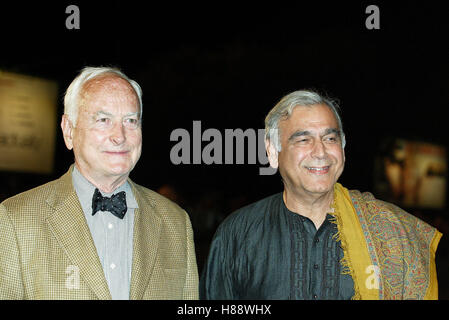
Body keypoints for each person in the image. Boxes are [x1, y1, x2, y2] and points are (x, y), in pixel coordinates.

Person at [200, 90, 442, 300]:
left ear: (343, 152)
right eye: (304, 139)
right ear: (273, 152)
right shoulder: (238, 234)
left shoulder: (391, 230)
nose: (320, 151)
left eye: (330, 138)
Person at [0, 66, 198, 299]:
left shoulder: (176, 223)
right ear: (68, 131)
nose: (120, 136)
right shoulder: (15, 220)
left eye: (131, 120)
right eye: (104, 120)